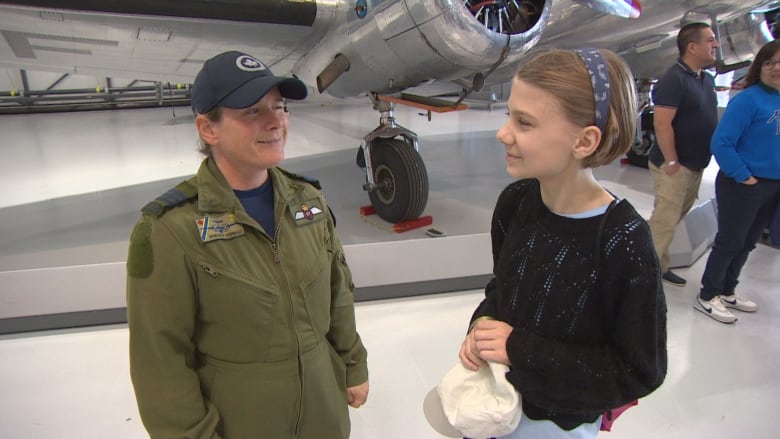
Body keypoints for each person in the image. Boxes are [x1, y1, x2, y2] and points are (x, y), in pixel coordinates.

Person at [126, 51, 369, 439]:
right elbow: (160, 362)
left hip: (325, 416)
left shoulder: (308, 201)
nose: (276, 121)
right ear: (209, 129)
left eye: (280, 106)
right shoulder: (170, 229)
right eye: (253, 112)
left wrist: (353, 365)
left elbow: (339, 293)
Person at [458, 48, 667, 438]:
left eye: (525, 123)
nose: (503, 133)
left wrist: (518, 349)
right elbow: (502, 289)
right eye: (509, 115)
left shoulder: (623, 241)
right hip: (492, 406)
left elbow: (638, 370)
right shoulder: (515, 202)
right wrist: (484, 322)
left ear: (584, 141)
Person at [696, 39, 780, 323]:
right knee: (730, 241)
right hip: (743, 184)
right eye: (770, 63)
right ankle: (708, 295)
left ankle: (728, 290)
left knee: (748, 243)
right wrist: (744, 176)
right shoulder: (748, 99)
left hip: (772, 186)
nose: (776, 68)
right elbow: (722, 142)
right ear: (760, 67)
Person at [647, 22, 720, 287]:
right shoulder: (673, 80)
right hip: (674, 166)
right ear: (692, 46)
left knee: (673, 219)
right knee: (664, 221)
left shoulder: (705, 79)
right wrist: (673, 160)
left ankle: (659, 265)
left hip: (695, 164)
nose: (716, 44)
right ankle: (645, 276)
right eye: (710, 40)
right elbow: (662, 123)